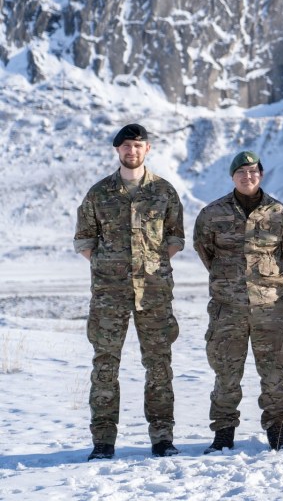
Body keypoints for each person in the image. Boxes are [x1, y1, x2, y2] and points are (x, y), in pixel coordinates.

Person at [74, 123, 184, 460]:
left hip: (153, 294)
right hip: (110, 295)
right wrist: (112, 266)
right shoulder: (99, 193)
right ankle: (103, 441)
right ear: (117, 151)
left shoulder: (164, 192)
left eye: (137, 146)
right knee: (105, 365)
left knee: (159, 365)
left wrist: (148, 266)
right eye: (125, 146)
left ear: (147, 149)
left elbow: (175, 238)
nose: (131, 151)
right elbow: (84, 240)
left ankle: (162, 438)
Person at [193, 151, 283, 453]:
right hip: (227, 309)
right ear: (232, 177)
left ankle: (278, 432)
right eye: (241, 172)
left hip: (270, 308)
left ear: (261, 174)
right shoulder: (212, 214)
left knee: (274, 373)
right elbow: (205, 251)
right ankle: (224, 433)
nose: (248, 176)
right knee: (226, 373)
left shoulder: (280, 213)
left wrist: (269, 279)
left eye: (253, 171)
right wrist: (230, 281)